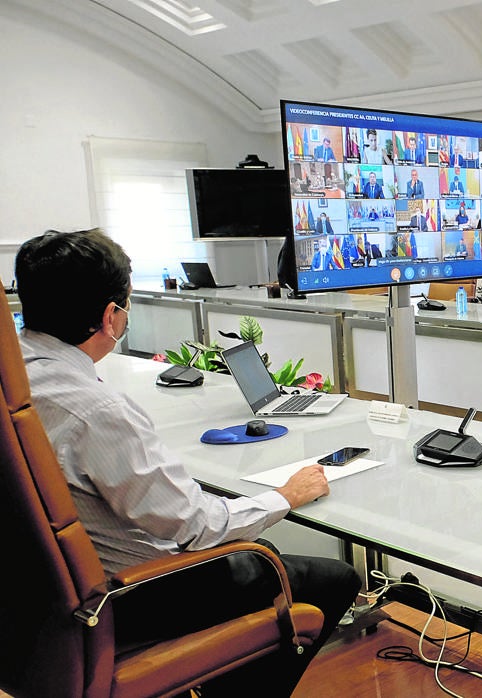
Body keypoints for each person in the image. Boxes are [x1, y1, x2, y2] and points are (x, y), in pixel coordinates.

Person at [14, 229, 360, 696]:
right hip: (129, 594)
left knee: (265, 558)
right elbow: (196, 527)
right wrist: (284, 496)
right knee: (329, 576)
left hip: (36, 601)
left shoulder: (15, 380)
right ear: (111, 317)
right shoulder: (96, 412)